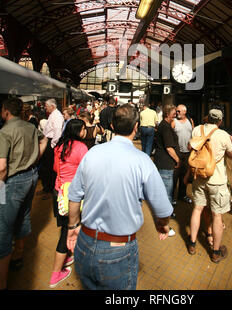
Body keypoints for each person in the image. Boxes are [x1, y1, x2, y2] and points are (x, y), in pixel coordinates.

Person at [66, 104, 173, 290]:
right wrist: (162, 224)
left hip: (85, 242)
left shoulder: (92, 154)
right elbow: (163, 209)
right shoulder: (142, 161)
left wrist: (73, 226)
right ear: (136, 127)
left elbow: (74, 196)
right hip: (119, 249)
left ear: (113, 126)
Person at [0, 98, 48, 290]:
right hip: (31, 177)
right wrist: (35, 158)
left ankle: (2, 282)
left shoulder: (4, 132)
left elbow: (2, 167)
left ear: (5, 111)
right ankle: (18, 256)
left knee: (3, 227)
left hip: (11, 182)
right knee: (24, 215)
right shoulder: (30, 126)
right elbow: (44, 139)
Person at [185, 109, 232, 262]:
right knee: (217, 216)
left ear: (207, 118)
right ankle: (215, 252)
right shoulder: (223, 135)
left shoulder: (196, 130)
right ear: (220, 121)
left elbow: (190, 147)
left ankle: (192, 243)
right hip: (217, 180)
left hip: (199, 176)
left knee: (197, 209)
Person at [50, 119, 88, 288]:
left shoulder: (59, 146)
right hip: (73, 197)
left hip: (58, 192)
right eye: (84, 129)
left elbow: (55, 169)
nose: (86, 131)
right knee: (70, 230)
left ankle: (68, 254)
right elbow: (87, 172)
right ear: (78, 131)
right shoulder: (81, 148)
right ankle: (56, 273)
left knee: (65, 228)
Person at [154, 104, 180, 235]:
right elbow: (169, 148)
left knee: (165, 194)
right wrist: (177, 159)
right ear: (167, 114)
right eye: (174, 113)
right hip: (166, 164)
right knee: (166, 196)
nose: (176, 114)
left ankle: (164, 218)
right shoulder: (165, 128)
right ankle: (164, 225)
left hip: (163, 163)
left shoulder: (165, 126)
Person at [37, 99, 64, 199]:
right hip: (48, 141)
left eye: (46, 106)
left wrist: (52, 145)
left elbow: (57, 132)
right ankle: (46, 188)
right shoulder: (53, 115)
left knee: (50, 167)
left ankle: (50, 190)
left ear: (52, 106)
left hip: (51, 142)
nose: (45, 108)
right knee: (45, 166)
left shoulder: (57, 116)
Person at [172, 104, 193, 205]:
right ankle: (171, 197)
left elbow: (193, 134)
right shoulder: (174, 122)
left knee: (185, 175)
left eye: (179, 111)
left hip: (187, 153)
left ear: (185, 111)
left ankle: (182, 195)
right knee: (174, 176)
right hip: (177, 153)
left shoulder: (190, 120)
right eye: (176, 111)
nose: (177, 113)